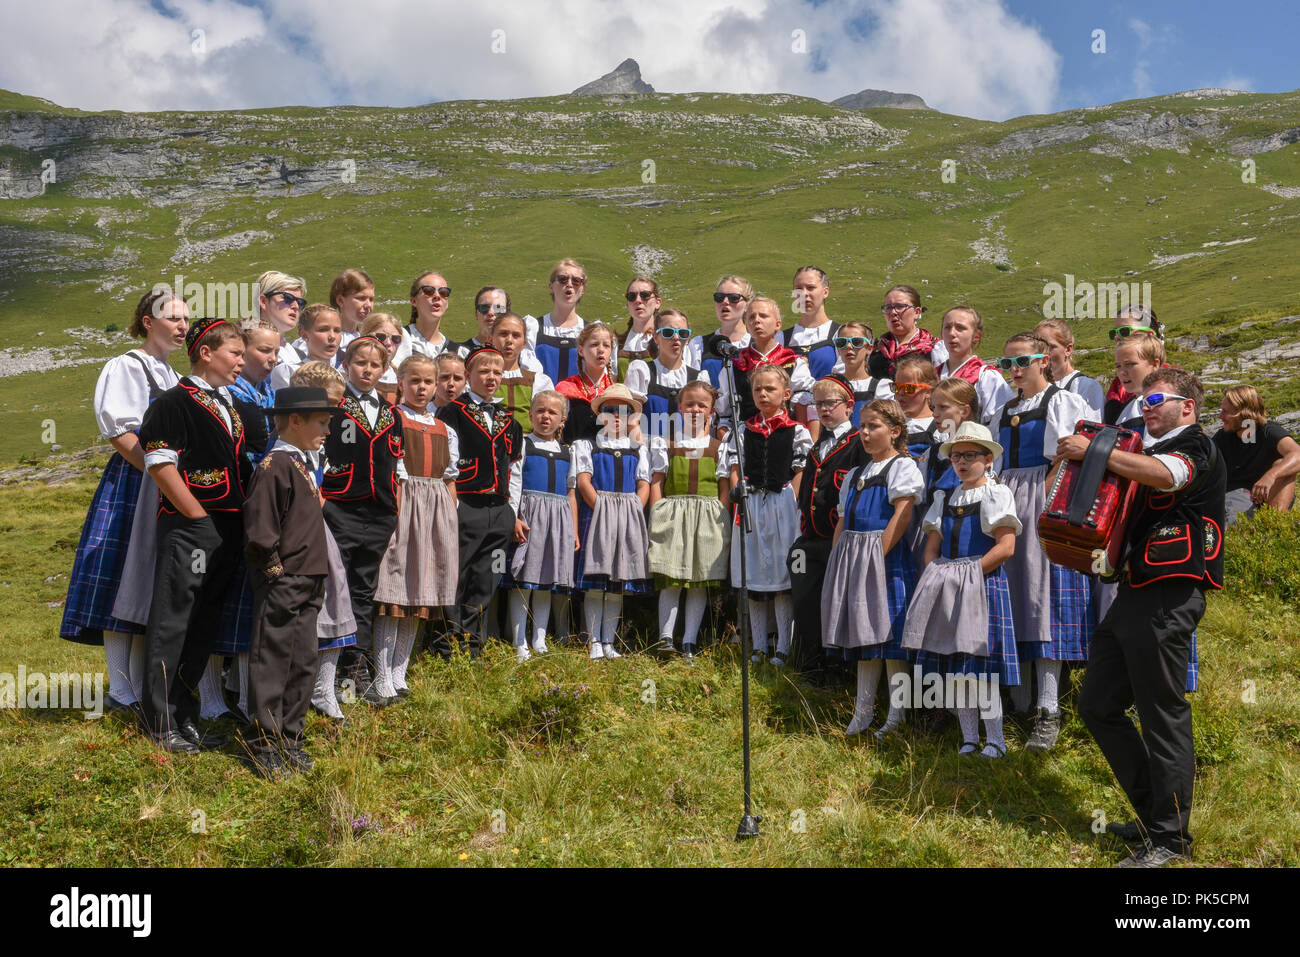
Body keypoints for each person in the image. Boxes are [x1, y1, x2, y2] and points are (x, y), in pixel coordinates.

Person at [1061, 368, 1225, 867]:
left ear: (1188, 407)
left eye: (1156, 398)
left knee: (1163, 715)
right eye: (1141, 399)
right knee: (1097, 704)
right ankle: (1155, 814)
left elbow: (1168, 477)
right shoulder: (1146, 451)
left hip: (1170, 595)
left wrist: (1095, 452)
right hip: (1135, 592)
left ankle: (1171, 841)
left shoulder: (1196, 445)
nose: (1145, 405)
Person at [60, 289, 186, 716]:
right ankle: (120, 689)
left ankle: (133, 689)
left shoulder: (171, 375)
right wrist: (156, 474)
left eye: (186, 319)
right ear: (148, 322)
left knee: (144, 581)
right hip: (136, 482)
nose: (182, 326)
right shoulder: (126, 367)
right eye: (173, 318)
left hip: (161, 484)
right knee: (121, 576)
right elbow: (120, 432)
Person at [139, 317, 253, 753]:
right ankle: (159, 722)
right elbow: (161, 465)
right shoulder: (173, 402)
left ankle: (186, 713)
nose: (242, 362)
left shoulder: (231, 402)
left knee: (205, 621)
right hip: (191, 527)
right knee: (174, 620)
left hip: (227, 525)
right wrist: (197, 518)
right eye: (236, 354)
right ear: (206, 353)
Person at [993, 332, 1095, 751]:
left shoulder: (1061, 401)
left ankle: (1049, 706)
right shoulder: (1004, 408)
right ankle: (1020, 699)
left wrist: (1046, 503)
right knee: (1014, 595)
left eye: (1023, 361)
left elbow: (1066, 457)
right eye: (1008, 363)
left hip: (1043, 497)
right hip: (1009, 498)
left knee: (1044, 596)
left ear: (1044, 360)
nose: (1015, 370)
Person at [904, 422, 1020, 758]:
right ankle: (969, 738)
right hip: (950, 585)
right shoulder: (945, 497)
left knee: (981, 668)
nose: (962, 462)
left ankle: (995, 739)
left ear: (987, 458)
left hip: (981, 585)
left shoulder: (996, 493)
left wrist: (969, 575)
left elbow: (1006, 546)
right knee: (955, 668)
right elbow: (931, 546)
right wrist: (936, 575)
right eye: (956, 456)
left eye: (970, 455)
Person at [242, 386, 338, 779]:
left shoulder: (301, 463)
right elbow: (260, 529)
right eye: (321, 422)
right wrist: (273, 571)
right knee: (273, 660)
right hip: (285, 580)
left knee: (302, 660)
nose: (328, 431)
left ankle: (290, 738)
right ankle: (263, 743)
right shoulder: (275, 466)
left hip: (309, 578)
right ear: (294, 421)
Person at [821, 399, 923, 737]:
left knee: (890, 639)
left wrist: (877, 555)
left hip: (884, 558)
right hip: (853, 557)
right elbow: (841, 519)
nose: (864, 433)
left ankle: (897, 716)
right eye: (862, 426)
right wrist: (839, 557)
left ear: (894, 432)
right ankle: (862, 713)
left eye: (874, 426)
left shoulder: (902, 467)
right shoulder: (856, 473)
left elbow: (903, 513)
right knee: (863, 637)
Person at [321, 335, 405, 704]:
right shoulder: (336, 407)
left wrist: (394, 508)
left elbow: (395, 464)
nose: (368, 370)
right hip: (341, 506)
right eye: (360, 363)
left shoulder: (392, 413)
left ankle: (357, 676)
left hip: (379, 512)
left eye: (375, 365)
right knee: (333, 589)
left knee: (363, 591)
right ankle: (325, 674)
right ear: (347, 364)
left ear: (384, 369)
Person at [372, 355, 460, 697]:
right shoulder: (393, 419)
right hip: (404, 502)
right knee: (395, 591)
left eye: (427, 382)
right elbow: (389, 466)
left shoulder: (445, 428)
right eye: (414, 381)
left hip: (434, 507)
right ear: (401, 383)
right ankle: (381, 675)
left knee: (421, 591)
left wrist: (449, 515)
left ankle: (399, 674)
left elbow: (450, 479)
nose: (422, 388)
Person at [436, 347, 524, 657]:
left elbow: (514, 470)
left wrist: (512, 511)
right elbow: (446, 461)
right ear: (469, 375)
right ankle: (447, 643)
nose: (491, 378)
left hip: (499, 512)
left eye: (497, 372)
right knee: (457, 574)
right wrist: (454, 505)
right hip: (466, 505)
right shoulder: (452, 412)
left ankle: (474, 643)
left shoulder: (509, 420)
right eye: (484, 372)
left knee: (490, 574)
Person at [725, 365, 811, 666]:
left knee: (781, 573)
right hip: (751, 506)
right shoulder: (743, 429)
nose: (763, 394)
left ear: (786, 394)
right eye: (758, 389)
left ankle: (784, 647)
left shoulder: (796, 431)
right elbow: (736, 469)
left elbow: (801, 470)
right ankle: (758, 646)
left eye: (770, 389)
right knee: (755, 576)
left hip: (782, 504)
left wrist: (794, 504)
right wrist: (739, 496)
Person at [288, 362, 357, 725]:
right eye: (328, 403)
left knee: (335, 599)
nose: (335, 411)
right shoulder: (286, 446)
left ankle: (324, 688)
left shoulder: (320, 441)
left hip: (318, 527)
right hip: (296, 534)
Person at [788, 374, 867, 674]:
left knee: (837, 602)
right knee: (806, 601)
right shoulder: (814, 449)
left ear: (849, 406)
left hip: (839, 539)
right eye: (817, 404)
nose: (823, 410)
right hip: (810, 539)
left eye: (830, 403)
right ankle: (807, 665)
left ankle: (838, 668)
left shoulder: (857, 443)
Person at [648, 380, 732, 657]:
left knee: (699, 579)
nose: (695, 409)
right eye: (689, 404)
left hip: (708, 517)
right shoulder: (666, 443)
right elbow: (657, 481)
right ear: (679, 408)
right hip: (673, 514)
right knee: (672, 577)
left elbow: (724, 489)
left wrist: (721, 517)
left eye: (702, 405)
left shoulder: (719, 447)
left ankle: (689, 641)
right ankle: (665, 637)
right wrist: (658, 512)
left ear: (711, 411)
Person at [572, 384, 653, 659]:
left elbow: (643, 484)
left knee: (618, 583)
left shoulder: (637, 449)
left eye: (623, 411)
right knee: (597, 581)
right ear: (600, 415)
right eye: (610, 410)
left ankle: (609, 641)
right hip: (597, 514)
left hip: (627, 516)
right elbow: (584, 481)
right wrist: (603, 507)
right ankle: (594, 640)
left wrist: (632, 509)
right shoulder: (587, 445)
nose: (616, 416)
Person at [506, 391, 579, 661]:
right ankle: (518, 640)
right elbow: (513, 483)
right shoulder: (524, 445)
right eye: (540, 411)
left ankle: (540, 637)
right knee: (523, 579)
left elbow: (571, 492)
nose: (545, 416)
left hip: (557, 519)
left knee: (547, 578)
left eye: (552, 412)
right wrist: (514, 516)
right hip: (530, 516)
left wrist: (573, 528)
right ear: (530, 414)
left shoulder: (567, 452)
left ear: (562, 420)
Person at [717, 297, 814, 435]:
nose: (757, 320)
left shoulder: (792, 362)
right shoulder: (736, 365)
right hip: (746, 439)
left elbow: (804, 410)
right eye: (751, 317)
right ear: (747, 326)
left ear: (777, 324)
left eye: (763, 316)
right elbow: (724, 415)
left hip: (785, 437)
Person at [1214, 385, 1300, 524]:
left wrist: (1270, 475)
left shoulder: (1269, 431)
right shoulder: (1223, 436)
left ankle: (1273, 525)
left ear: (1243, 413)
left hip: (1268, 498)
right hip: (1234, 497)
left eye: (1225, 412)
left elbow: (1297, 454)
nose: (1220, 416)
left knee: (1281, 464)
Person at [624, 307, 709, 440]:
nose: (676, 337)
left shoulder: (698, 378)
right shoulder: (642, 371)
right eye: (668, 332)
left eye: (683, 333)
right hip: (649, 452)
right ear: (656, 337)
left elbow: (705, 422)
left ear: (687, 339)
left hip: (685, 454)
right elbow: (632, 419)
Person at [937, 306, 1012, 425]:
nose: (952, 333)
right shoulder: (931, 375)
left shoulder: (987, 378)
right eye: (947, 327)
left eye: (960, 328)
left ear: (976, 336)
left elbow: (997, 426)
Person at [526, 259, 588, 383]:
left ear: (582, 290)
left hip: (580, 401)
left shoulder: (590, 331)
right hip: (541, 400)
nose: (569, 284)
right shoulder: (533, 328)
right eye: (562, 279)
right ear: (551, 287)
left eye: (576, 281)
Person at [492, 312, 555, 432]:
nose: (509, 340)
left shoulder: (538, 381)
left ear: (524, 343)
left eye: (516, 336)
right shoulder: (480, 378)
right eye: (503, 334)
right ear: (491, 339)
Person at [688, 275, 753, 389]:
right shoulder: (699, 345)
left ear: (747, 304)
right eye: (719, 297)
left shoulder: (756, 343)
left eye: (734, 298)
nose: (725, 302)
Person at [869, 284, 947, 379]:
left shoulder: (933, 349)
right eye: (888, 307)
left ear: (917, 312)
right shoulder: (874, 350)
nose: (893, 312)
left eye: (900, 306)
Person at [557, 321, 616, 444]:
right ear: (580, 350)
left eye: (606, 345)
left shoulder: (616, 391)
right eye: (594, 344)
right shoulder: (567, 388)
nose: (601, 350)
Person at [1103, 305, 1164, 423]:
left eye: (1124, 331)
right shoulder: (1116, 386)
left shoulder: (1171, 386)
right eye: (1113, 333)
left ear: (1149, 335)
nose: (1117, 338)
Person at [1035, 318, 1104, 418]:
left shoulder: (1085, 386)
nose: (1042, 354)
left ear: (1068, 349)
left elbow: (1090, 429)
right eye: (1037, 348)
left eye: (1050, 347)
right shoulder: (1034, 387)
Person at [783, 265, 842, 379]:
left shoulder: (840, 334)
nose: (804, 294)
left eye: (810, 287)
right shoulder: (782, 338)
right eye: (798, 289)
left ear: (825, 292)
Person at [270, 304, 341, 391]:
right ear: (304, 335)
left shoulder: (339, 376)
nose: (332, 336)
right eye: (323, 329)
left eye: (337, 330)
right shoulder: (289, 372)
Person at [393, 270, 459, 365]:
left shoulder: (455, 351)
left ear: (447, 303)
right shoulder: (398, 339)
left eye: (443, 292)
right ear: (414, 301)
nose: (437, 296)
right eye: (429, 291)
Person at [229, 316, 280, 416]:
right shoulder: (230, 394)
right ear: (241, 350)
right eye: (265, 350)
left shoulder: (267, 390)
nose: (273, 359)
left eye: (277, 352)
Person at [618, 277, 661, 379]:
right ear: (627, 304)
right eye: (632, 296)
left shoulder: (667, 339)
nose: (638, 300)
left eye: (645, 295)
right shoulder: (616, 344)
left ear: (657, 302)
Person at [359, 313, 406, 405]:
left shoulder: (403, 378)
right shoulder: (349, 372)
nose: (388, 343)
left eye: (396, 338)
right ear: (364, 336)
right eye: (380, 337)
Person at [329, 268, 374, 341]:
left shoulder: (368, 340)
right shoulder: (325, 342)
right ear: (340, 301)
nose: (368, 305)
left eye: (371, 299)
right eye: (361, 298)